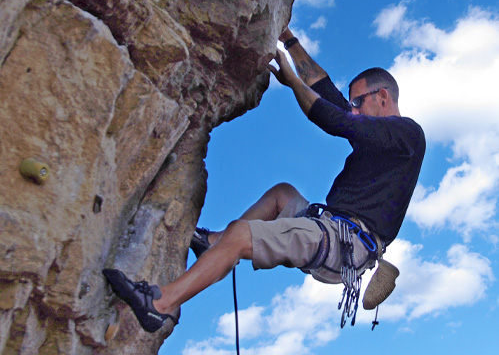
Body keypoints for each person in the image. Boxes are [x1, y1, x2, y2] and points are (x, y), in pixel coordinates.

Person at [103, 27, 426, 333]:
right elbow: (326, 92)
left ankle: (160, 304)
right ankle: (214, 244)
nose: (353, 108)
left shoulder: (406, 134)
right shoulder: (381, 136)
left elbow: (335, 120)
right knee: (281, 194)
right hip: (333, 234)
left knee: (244, 235)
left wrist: (292, 83)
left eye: (358, 102)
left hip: (345, 243)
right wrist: (290, 40)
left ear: (382, 96)